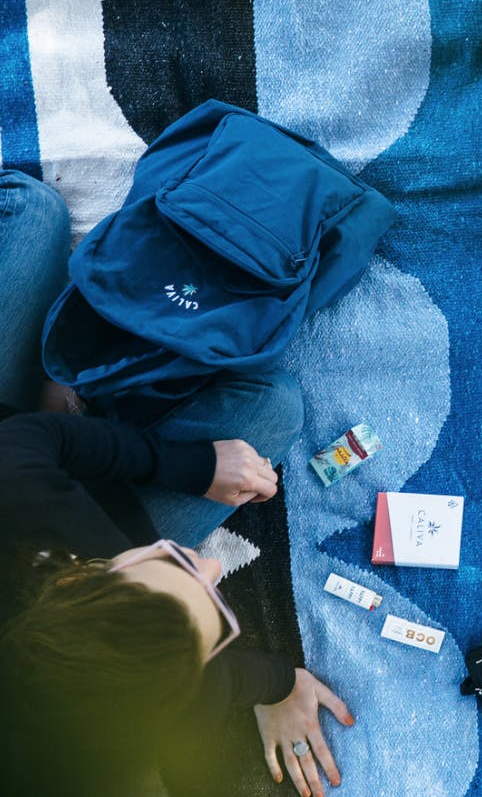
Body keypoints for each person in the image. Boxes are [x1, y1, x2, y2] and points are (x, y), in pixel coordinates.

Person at [0, 168, 350, 797]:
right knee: (273, 408)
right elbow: (200, 684)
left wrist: (191, 467)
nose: (215, 570)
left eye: (174, 565)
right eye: (216, 615)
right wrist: (280, 682)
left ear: (87, 574)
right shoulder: (119, 740)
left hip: (13, 451)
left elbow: (26, 444)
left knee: (32, 211)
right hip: (56, 504)